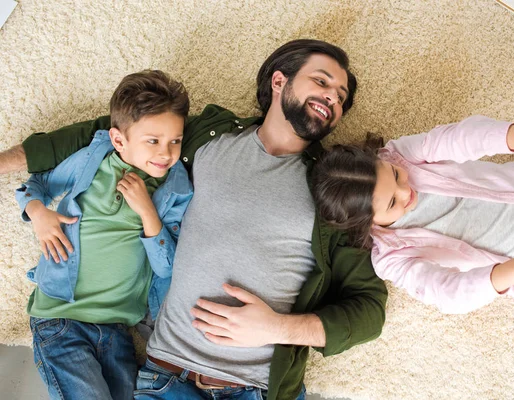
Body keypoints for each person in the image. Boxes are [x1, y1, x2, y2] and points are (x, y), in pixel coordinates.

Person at [2, 39, 388, 400]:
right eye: (322, 82)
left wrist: (277, 328)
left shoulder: (334, 189)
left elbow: (368, 310)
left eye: (341, 97)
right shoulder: (207, 136)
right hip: (167, 377)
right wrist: (10, 167)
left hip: (254, 387)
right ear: (278, 80)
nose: (331, 99)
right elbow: (111, 132)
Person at [15, 70, 193, 400]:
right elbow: (37, 183)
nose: (166, 153)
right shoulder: (93, 161)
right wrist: (38, 213)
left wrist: (147, 211)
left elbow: (168, 266)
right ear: (119, 140)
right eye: (153, 140)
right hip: (61, 318)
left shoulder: (176, 189)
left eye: (175, 141)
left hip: (117, 330)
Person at [311, 115, 514, 314]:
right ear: (366, 224)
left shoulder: (400, 154)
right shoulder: (391, 259)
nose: (406, 191)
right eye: (391, 204)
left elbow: (464, 138)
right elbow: (449, 293)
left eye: (396, 176)